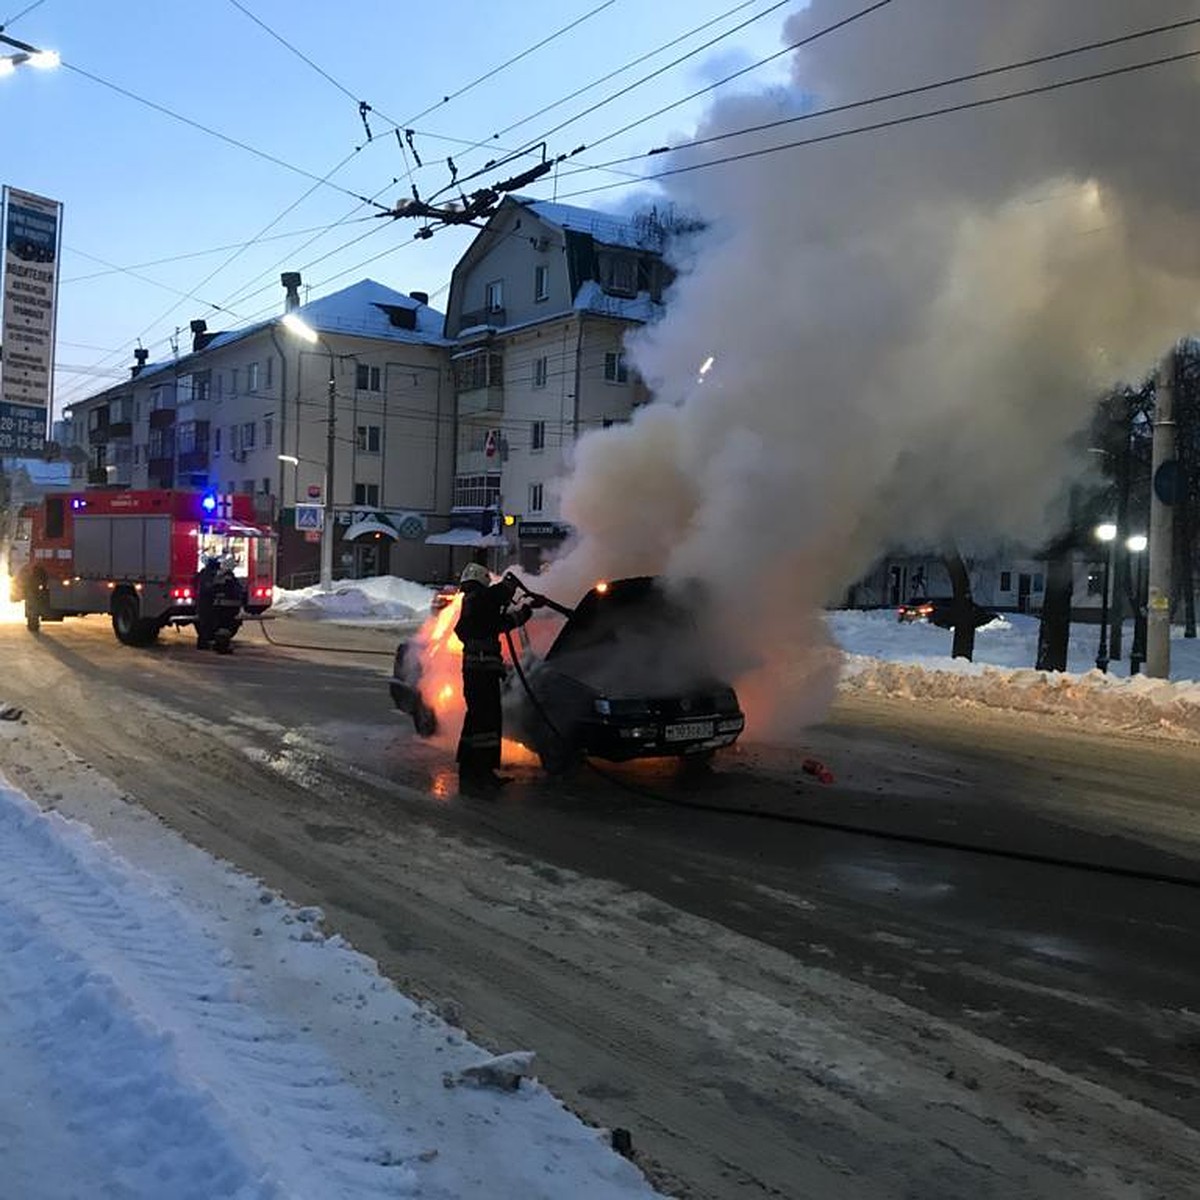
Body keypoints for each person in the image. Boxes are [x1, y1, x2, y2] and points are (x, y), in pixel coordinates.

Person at [454, 562, 538, 791]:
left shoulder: (475, 606)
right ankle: (481, 774)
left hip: (480, 672)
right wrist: (508, 586)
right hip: (481, 673)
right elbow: (493, 598)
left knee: (477, 722)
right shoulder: (476, 598)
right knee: (486, 723)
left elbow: (499, 624)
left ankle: (471, 770)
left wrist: (525, 612)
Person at [194, 556, 221, 650]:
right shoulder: (210, 575)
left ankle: (204, 642)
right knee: (207, 623)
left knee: (204, 623)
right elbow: (210, 588)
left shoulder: (203, 573)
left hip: (202, 603)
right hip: (207, 603)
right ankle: (204, 643)